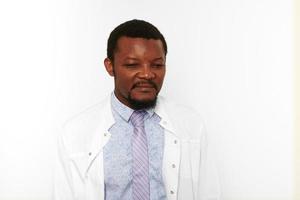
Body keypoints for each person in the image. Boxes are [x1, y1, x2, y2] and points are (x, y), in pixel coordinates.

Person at [54, 19, 221, 200]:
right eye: (132, 65)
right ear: (110, 66)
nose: (147, 74)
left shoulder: (190, 124)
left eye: (157, 65)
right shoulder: (75, 133)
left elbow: (209, 192)